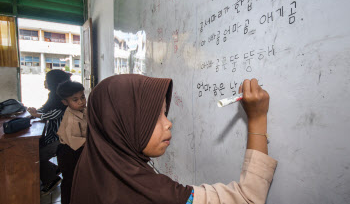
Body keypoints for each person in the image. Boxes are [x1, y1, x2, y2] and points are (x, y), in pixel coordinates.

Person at [70, 74, 277, 204]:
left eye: (165, 113)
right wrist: (258, 118)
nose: (168, 123)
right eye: (154, 116)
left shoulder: (91, 165)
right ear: (121, 125)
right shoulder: (155, 195)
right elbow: (247, 199)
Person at [27, 70, 72, 195]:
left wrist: (38, 115)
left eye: (46, 79)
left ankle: (52, 179)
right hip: (56, 136)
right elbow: (46, 108)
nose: (44, 82)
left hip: (63, 139)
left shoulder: (63, 96)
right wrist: (36, 111)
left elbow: (56, 113)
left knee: (35, 156)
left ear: (53, 82)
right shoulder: (54, 95)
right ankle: (54, 169)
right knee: (37, 149)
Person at [55, 80, 87, 204]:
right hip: (69, 153)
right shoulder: (71, 120)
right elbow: (77, 142)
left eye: (82, 97)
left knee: (79, 181)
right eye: (75, 100)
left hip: (78, 150)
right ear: (65, 102)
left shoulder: (82, 110)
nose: (81, 101)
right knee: (70, 182)